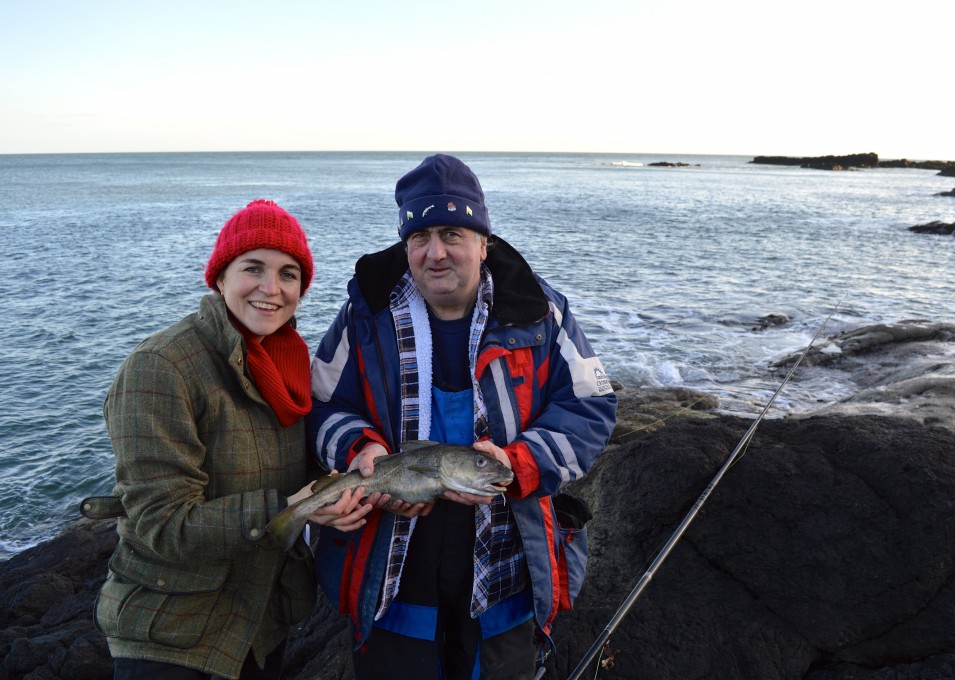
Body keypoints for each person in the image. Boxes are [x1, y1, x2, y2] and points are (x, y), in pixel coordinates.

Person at [309, 155, 617, 679]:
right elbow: (321, 405)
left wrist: (518, 463)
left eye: (452, 232)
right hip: (393, 556)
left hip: (509, 556)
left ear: (482, 240)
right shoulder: (364, 314)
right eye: (419, 236)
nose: (435, 252)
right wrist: (359, 448)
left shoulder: (542, 312)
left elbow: (591, 406)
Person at [91, 199, 374, 680]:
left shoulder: (289, 364)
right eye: (253, 268)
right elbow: (163, 523)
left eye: (289, 274)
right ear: (220, 277)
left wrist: (331, 494)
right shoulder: (161, 368)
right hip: (174, 636)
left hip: (264, 625)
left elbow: (293, 469)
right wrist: (291, 507)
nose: (272, 288)